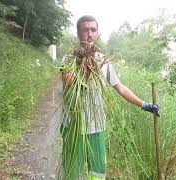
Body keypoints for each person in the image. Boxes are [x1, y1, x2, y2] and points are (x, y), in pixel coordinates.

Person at [60, 15, 159, 180]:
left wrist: (145, 104)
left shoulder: (103, 61)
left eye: (93, 30)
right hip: (72, 127)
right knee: (71, 173)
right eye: (85, 30)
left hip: (96, 126)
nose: (89, 34)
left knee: (97, 174)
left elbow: (120, 87)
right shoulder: (69, 58)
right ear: (78, 32)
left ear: (97, 33)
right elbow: (68, 81)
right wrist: (84, 63)